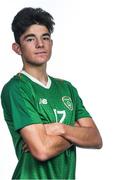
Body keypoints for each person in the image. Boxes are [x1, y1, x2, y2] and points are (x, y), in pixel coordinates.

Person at [1, 7, 102, 179]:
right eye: (30, 39)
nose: (40, 44)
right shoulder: (17, 88)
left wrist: (59, 128)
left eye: (45, 38)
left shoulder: (67, 88)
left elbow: (95, 138)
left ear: (51, 43)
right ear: (17, 48)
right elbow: (42, 150)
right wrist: (76, 132)